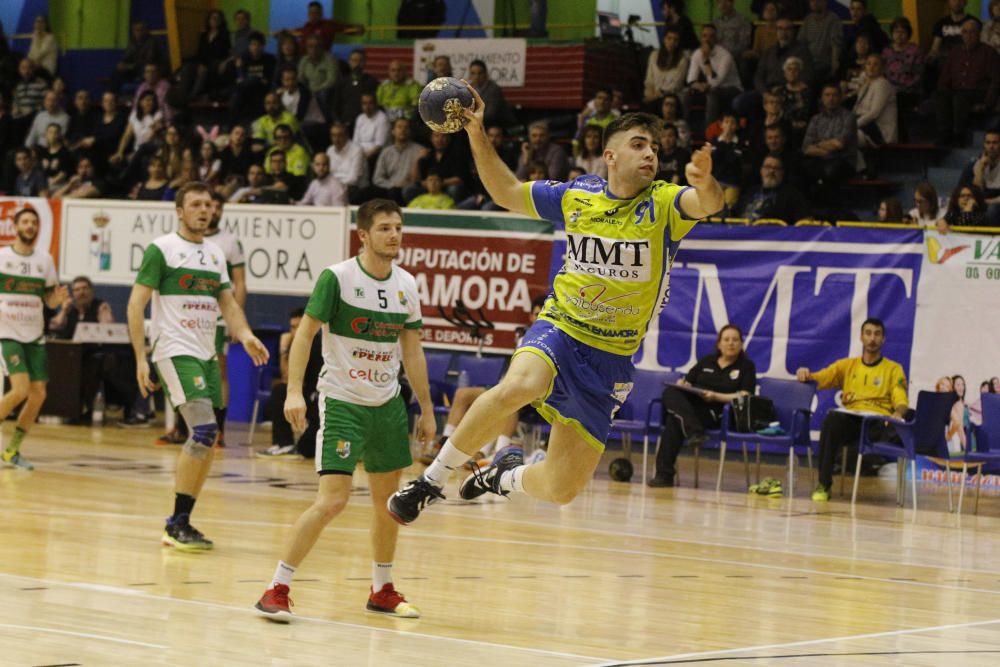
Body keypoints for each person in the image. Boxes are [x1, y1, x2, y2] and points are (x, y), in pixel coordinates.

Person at [388, 92, 724, 523]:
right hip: (561, 327)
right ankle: (430, 481)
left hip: (611, 358)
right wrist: (476, 133)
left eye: (655, 148)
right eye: (639, 144)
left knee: (562, 489)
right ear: (611, 155)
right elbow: (507, 191)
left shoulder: (664, 203)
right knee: (517, 387)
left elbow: (708, 204)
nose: (650, 154)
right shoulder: (578, 194)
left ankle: (501, 476)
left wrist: (705, 182)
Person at [253, 198, 433, 622]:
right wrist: (293, 390)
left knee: (387, 503)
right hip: (342, 402)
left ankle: (382, 589)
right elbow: (305, 336)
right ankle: (276, 587)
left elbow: (412, 349)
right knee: (332, 501)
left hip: (387, 404)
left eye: (398, 228)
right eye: (385, 228)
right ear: (364, 235)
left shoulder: (406, 284)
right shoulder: (337, 278)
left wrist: (425, 407)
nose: (394, 235)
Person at [127, 183, 268, 550]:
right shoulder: (163, 250)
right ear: (179, 211)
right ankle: (175, 524)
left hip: (206, 353)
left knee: (208, 439)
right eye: (196, 205)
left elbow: (229, 304)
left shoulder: (216, 254)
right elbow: (135, 304)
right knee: (204, 430)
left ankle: (183, 520)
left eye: (208, 205)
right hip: (174, 351)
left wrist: (246, 333)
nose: (204, 210)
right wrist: (141, 357)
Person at [796, 318, 909, 502]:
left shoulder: (893, 369)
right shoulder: (847, 366)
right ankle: (824, 484)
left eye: (877, 334)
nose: (872, 338)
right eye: (868, 333)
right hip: (852, 420)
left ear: (883, 340)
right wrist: (805, 374)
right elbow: (820, 378)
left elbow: (901, 399)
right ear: (861, 337)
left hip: (876, 424)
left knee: (895, 422)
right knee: (832, 419)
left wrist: (898, 412)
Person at [0, 208, 68, 470]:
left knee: (38, 394)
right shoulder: (3, 256)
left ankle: (12, 450)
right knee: (19, 389)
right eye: (25, 222)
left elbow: (48, 298)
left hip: (34, 333)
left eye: (34, 223)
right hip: (7, 333)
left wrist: (57, 301)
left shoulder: (45, 260)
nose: (30, 226)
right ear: (16, 226)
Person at [650, 324, 756, 487]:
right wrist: (683, 384)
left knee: (674, 421)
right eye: (726, 339)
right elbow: (687, 381)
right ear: (719, 344)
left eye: (735, 340)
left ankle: (664, 475)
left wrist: (716, 396)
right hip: (693, 406)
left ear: (741, 344)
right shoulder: (707, 361)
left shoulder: (746, 367)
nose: (731, 343)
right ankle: (694, 430)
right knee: (670, 392)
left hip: (720, 411)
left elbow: (745, 395)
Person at [204, 192, 247, 446]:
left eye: (217, 206)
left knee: (217, 369)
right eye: (208, 205)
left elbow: (240, 283)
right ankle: (182, 426)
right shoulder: (187, 241)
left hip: (219, 315)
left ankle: (219, 428)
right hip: (190, 312)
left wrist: (236, 320)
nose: (212, 210)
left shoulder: (229, 241)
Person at [256, 308, 322, 459]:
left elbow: (289, 377)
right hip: (306, 395)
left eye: (299, 326)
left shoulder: (316, 344)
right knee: (280, 390)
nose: (296, 331)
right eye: (292, 327)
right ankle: (284, 443)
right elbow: (287, 378)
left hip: (319, 398)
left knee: (307, 449)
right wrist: (285, 349)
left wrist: (284, 348)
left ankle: (287, 442)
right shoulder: (297, 344)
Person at [934, 18, 1000, 147]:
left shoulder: (989, 53)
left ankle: (959, 135)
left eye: (972, 32)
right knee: (941, 95)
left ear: (979, 34)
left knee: (959, 97)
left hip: (978, 92)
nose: (968, 35)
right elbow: (944, 78)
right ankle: (944, 134)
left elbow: (996, 81)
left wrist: (987, 104)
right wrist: (942, 90)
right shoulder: (955, 52)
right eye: (965, 32)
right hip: (957, 91)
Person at [802, 83, 857, 203]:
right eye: (827, 95)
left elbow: (839, 144)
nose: (831, 98)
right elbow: (806, 148)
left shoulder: (849, 117)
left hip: (844, 161)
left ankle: (829, 211)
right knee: (800, 169)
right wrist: (827, 147)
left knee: (831, 171)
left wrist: (817, 145)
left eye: (834, 95)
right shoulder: (816, 119)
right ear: (822, 98)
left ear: (841, 97)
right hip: (821, 160)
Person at [684, 24, 743, 125]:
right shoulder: (697, 53)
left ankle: (708, 130)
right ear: (700, 38)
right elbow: (690, 79)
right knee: (686, 93)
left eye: (711, 36)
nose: (707, 39)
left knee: (712, 94)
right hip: (710, 87)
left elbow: (715, 82)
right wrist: (698, 85)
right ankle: (684, 127)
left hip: (731, 88)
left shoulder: (725, 55)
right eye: (704, 36)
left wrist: (706, 60)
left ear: (716, 39)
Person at [737, 154, 808, 222]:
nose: (771, 171)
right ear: (761, 171)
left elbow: (805, 221)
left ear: (782, 173)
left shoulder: (792, 195)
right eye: (767, 167)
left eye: (776, 168)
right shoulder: (750, 192)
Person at [643, 28, 689, 108]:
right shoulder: (654, 55)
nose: (672, 42)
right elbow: (649, 80)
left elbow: (676, 85)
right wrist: (649, 94)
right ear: (664, 39)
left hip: (670, 95)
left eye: (675, 40)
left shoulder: (683, 59)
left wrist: (656, 96)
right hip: (652, 94)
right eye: (669, 38)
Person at [800, 0, 843, 81]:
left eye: (817, 1)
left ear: (824, 2)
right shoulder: (808, 20)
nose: (814, 3)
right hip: (809, 62)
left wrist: (835, 63)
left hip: (825, 63)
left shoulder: (833, 19)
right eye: (811, 1)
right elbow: (801, 42)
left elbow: (836, 44)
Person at [297, 0, 364, 52]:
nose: (313, 15)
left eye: (316, 13)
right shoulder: (306, 27)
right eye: (311, 13)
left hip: (324, 59)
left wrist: (356, 29)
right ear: (308, 14)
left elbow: (345, 28)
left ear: (321, 13)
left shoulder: (328, 25)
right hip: (306, 60)